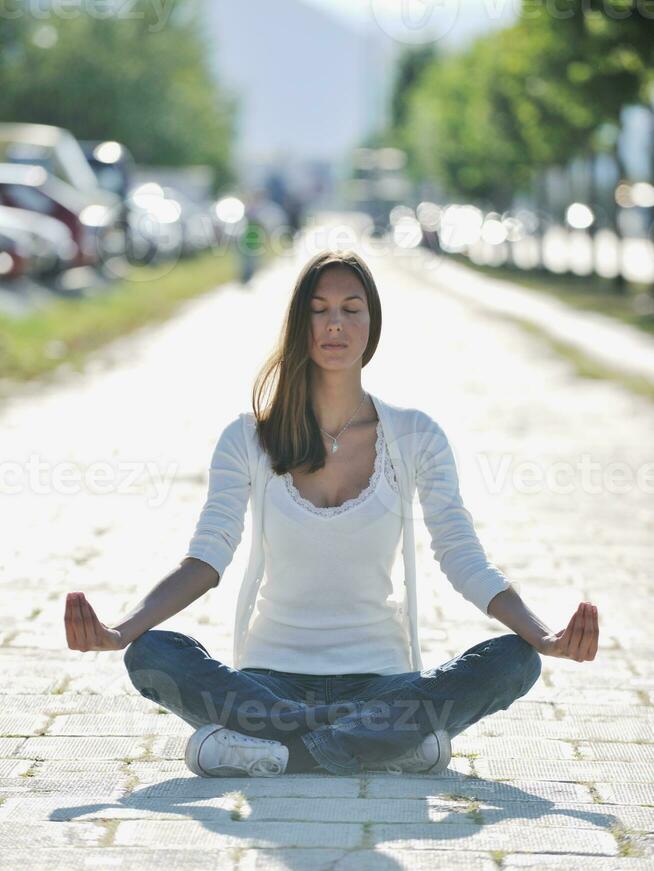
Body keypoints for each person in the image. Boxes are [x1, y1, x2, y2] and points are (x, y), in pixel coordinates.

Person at [64, 249, 600, 778]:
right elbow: (206, 559)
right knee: (152, 653)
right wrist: (121, 630)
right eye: (319, 310)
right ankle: (379, 743)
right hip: (269, 684)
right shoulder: (248, 438)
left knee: (515, 659)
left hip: (385, 684)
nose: (335, 325)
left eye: (351, 308)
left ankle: (281, 748)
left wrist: (543, 635)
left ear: (373, 324)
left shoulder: (415, 435)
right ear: (300, 324)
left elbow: (462, 558)